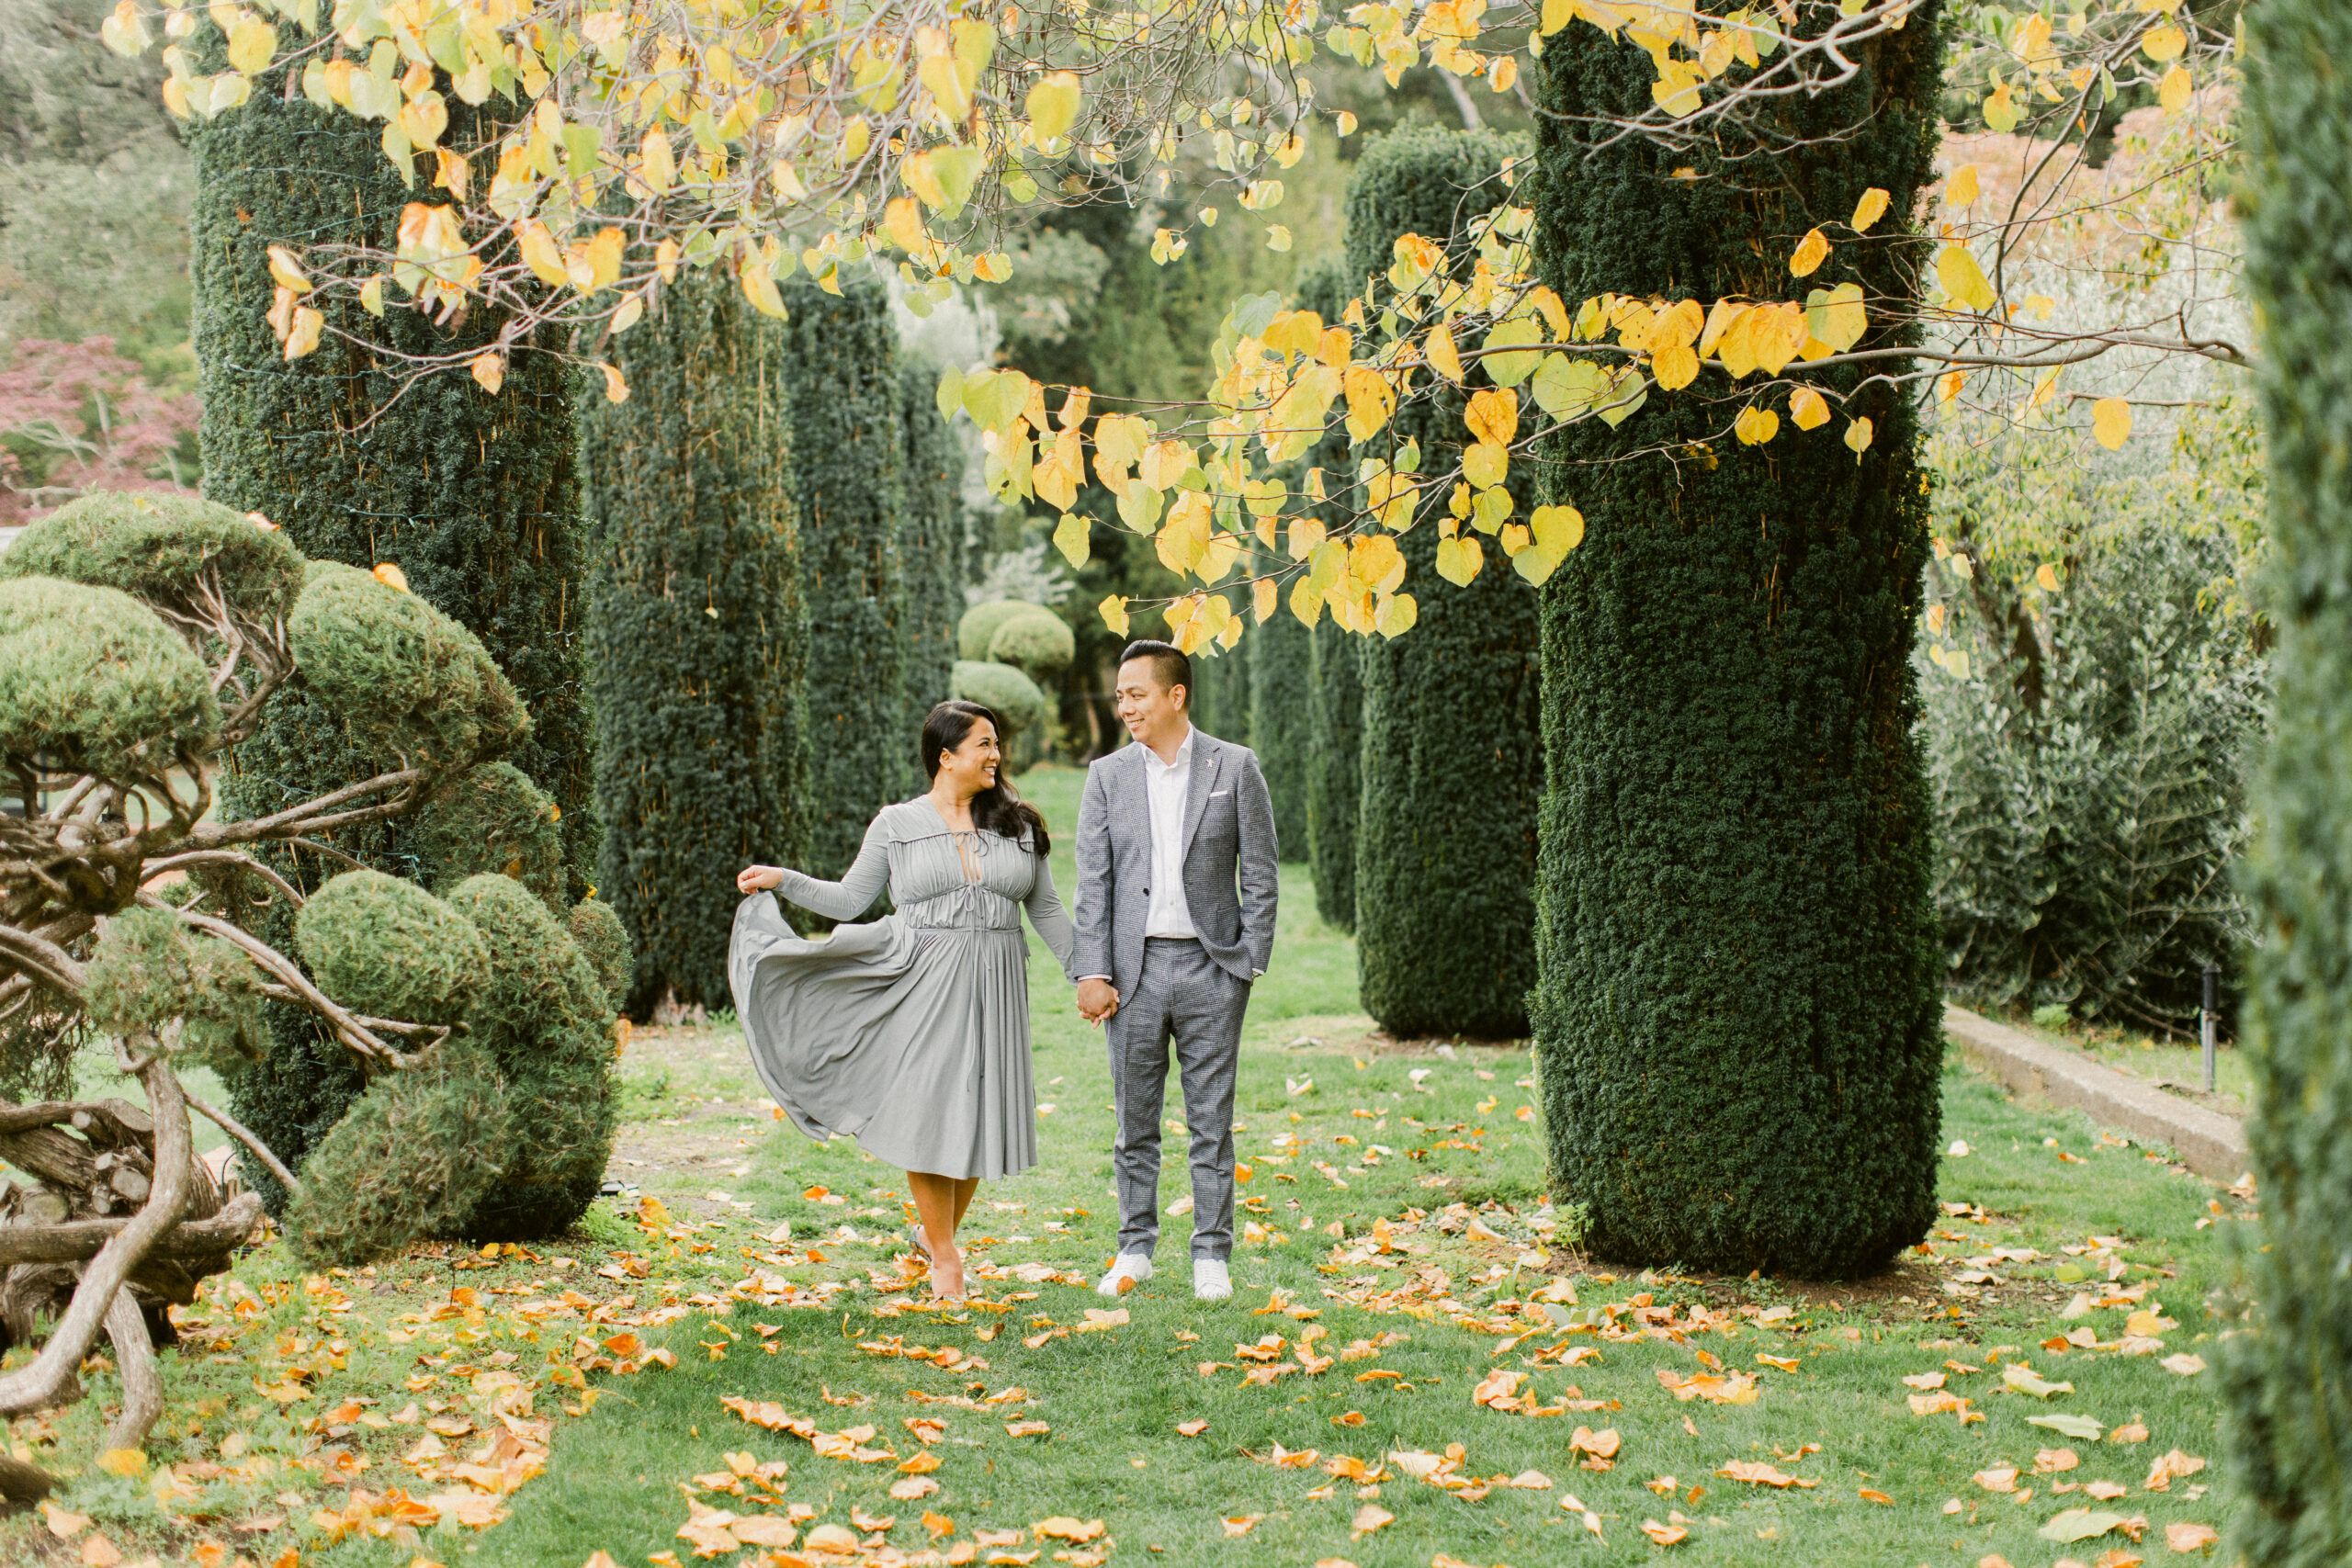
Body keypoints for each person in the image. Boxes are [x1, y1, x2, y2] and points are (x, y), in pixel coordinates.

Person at [729, 701, 1076, 1301]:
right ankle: (945, 1256)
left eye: (997, 744)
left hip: (996, 982)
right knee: (928, 1113)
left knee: (978, 1113)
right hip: (920, 977)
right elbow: (848, 898)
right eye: (983, 744)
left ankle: (932, 1236)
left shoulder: (1019, 823)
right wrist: (784, 879)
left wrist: (1086, 971)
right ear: (946, 757)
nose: (995, 755)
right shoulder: (897, 824)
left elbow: (1044, 907)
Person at [1074, 639, 1279, 1303]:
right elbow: (1094, 883)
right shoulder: (1106, 776)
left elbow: (1263, 872)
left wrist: (1248, 960)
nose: (1125, 705)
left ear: (1175, 695)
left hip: (1212, 967)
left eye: (1136, 693)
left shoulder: (1235, 766)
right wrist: (1092, 970)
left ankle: (1211, 1255)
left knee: (1211, 1122)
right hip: (1131, 974)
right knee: (1134, 1122)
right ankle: (1135, 1248)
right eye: (1120, 695)